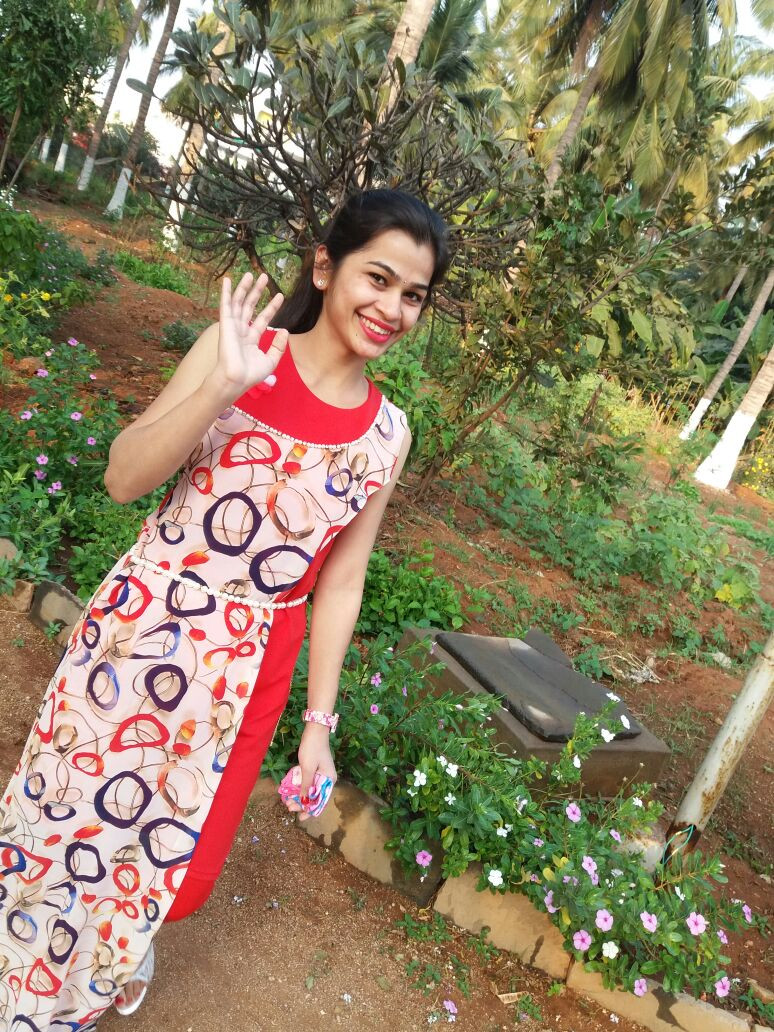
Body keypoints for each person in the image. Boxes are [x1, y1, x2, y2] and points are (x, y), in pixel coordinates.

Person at [0, 189, 449, 1031]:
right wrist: (222, 388)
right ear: (326, 267)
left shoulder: (387, 435)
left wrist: (318, 725)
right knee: (64, 820)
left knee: (179, 871)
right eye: (379, 278)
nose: (392, 308)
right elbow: (123, 478)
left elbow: (341, 582)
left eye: (414, 295)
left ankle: (109, 959)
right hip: (144, 629)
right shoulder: (238, 350)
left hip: (250, 669)